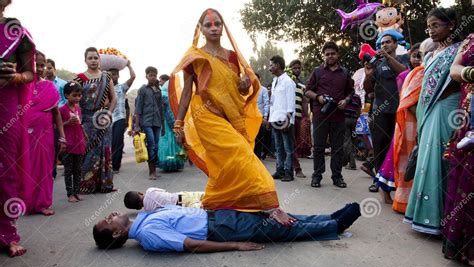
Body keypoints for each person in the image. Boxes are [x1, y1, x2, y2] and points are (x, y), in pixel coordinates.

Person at [168, 8, 295, 226]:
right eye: (209, 25)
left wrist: (244, 85)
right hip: (206, 117)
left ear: (223, 27)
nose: (214, 28)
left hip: (230, 116)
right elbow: (188, 92)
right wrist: (178, 124)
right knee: (242, 154)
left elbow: (237, 91)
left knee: (223, 165)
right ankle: (270, 204)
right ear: (201, 29)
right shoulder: (193, 57)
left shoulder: (233, 56)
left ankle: (214, 202)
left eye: (218, 23)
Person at [92, 203, 361, 252]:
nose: (112, 215)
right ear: (117, 232)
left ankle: (327, 217)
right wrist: (235, 245)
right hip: (222, 229)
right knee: (280, 229)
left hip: (217, 216)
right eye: (109, 220)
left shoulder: (142, 221)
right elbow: (190, 245)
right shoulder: (149, 235)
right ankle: (335, 225)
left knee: (281, 216)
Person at [404, 8, 462, 235]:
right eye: (429, 26)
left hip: (447, 111)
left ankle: (441, 219)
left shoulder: (460, 50)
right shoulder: (430, 55)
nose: (432, 30)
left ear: (451, 25)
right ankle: (422, 215)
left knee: (441, 160)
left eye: (436, 25)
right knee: (426, 161)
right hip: (428, 112)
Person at [0, 0, 35, 257]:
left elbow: (29, 74)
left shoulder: (14, 30)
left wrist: (15, 77)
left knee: (5, 167)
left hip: (6, 105)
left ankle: (8, 235)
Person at [392, 39, 438, 213]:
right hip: (413, 123)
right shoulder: (419, 73)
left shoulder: (422, 71)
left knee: (413, 163)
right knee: (411, 163)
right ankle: (407, 205)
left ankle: (410, 205)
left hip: (413, 123)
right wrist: (424, 119)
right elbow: (408, 102)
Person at [375, 43, 423, 204]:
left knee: (413, 159)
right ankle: (384, 190)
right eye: (415, 55)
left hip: (421, 121)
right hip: (407, 120)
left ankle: (409, 196)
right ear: (409, 56)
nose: (418, 59)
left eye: (421, 56)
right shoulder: (405, 76)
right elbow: (406, 99)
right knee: (395, 155)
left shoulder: (425, 73)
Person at [442, 33, 474, 267]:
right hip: (468, 115)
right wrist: (470, 73)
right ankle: (462, 247)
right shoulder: (470, 40)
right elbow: (455, 70)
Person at [363, 34, 410, 193]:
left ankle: (395, 180)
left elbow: (403, 72)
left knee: (396, 145)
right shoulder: (377, 64)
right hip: (380, 111)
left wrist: (389, 57)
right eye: (382, 43)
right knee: (379, 144)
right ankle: (378, 180)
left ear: (396, 44)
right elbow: (368, 89)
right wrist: (368, 75)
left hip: (399, 109)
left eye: (388, 42)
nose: (384, 45)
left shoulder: (404, 59)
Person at [305, 41, 354, 188]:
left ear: (337, 54)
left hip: (338, 116)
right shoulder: (318, 71)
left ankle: (337, 177)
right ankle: (317, 176)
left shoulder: (345, 73)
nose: (330, 56)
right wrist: (318, 97)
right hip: (320, 115)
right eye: (327, 54)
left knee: (337, 148)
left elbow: (351, 92)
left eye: (332, 53)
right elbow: (307, 90)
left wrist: (346, 100)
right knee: (319, 147)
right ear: (323, 56)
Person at [25, 51, 66, 216]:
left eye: (42, 65)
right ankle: (25, 203)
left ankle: (42, 203)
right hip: (24, 133)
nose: (40, 68)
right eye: (36, 64)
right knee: (25, 167)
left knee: (44, 167)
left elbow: (56, 114)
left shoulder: (49, 86)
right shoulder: (21, 85)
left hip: (45, 133)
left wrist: (62, 136)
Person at [75, 47, 117, 194]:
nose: (93, 60)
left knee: (105, 150)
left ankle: (105, 184)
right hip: (86, 121)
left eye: (95, 58)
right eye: (90, 58)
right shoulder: (79, 79)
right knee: (89, 151)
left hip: (103, 119)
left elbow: (114, 99)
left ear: (99, 60)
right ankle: (86, 184)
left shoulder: (106, 76)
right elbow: (74, 101)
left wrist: (109, 113)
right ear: (85, 60)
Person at [269, 55, 296, 182]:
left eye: (271, 65)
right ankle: (280, 171)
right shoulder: (275, 81)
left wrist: (288, 120)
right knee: (278, 147)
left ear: (278, 65)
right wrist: (269, 119)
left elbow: (291, 103)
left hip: (285, 120)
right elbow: (273, 102)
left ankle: (288, 172)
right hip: (275, 119)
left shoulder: (288, 82)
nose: (270, 68)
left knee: (288, 148)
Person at [135, 66, 164, 180]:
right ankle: (151, 172)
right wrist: (137, 125)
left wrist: (163, 125)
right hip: (146, 122)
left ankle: (154, 170)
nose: (152, 77)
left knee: (156, 146)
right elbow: (138, 107)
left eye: (154, 75)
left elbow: (161, 108)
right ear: (146, 76)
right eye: (150, 75)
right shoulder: (143, 89)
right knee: (151, 144)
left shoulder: (158, 90)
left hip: (157, 122)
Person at [60, 81, 87, 203]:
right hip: (68, 144)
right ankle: (70, 193)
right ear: (66, 95)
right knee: (68, 170)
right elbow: (57, 125)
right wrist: (67, 123)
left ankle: (77, 191)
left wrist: (85, 136)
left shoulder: (78, 109)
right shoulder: (61, 110)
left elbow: (80, 124)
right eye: (74, 95)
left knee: (78, 169)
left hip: (79, 142)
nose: (77, 98)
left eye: (79, 95)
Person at [109, 61, 136, 173]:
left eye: (114, 74)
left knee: (118, 142)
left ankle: (115, 166)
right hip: (108, 119)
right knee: (109, 143)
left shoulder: (122, 87)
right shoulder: (104, 89)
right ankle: (108, 164)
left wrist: (129, 65)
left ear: (118, 75)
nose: (112, 76)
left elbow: (133, 76)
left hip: (119, 118)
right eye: (109, 74)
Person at [289, 59, 311, 178]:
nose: (297, 70)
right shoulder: (287, 82)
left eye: (298, 68)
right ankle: (297, 169)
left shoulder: (303, 86)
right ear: (290, 69)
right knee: (291, 143)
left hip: (297, 117)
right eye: (294, 68)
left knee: (295, 143)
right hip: (288, 117)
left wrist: (307, 117)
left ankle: (287, 167)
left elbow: (304, 103)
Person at [158, 80, 185, 171]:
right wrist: (174, 124)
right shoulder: (168, 96)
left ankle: (168, 163)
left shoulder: (162, 94)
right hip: (169, 121)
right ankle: (174, 162)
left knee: (166, 143)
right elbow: (169, 111)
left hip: (163, 123)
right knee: (172, 143)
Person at [124, 188, 205, 210]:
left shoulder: (149, 211)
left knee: (201, 208)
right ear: (140, 193)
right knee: (202, 195)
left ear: (138, 208)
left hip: (183, 208)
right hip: (181, 196)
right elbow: (164, 191)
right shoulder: (150, 190)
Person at [254, 72, 271, 160]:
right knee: (251, 137)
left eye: (256, 78)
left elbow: (266, 103)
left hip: (260, 117)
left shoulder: (263, 90)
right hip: (250, 117)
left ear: (259, 79)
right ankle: (251, 157)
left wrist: (265, 117)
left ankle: (258, 157)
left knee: (259, 137)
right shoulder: (249, 89)